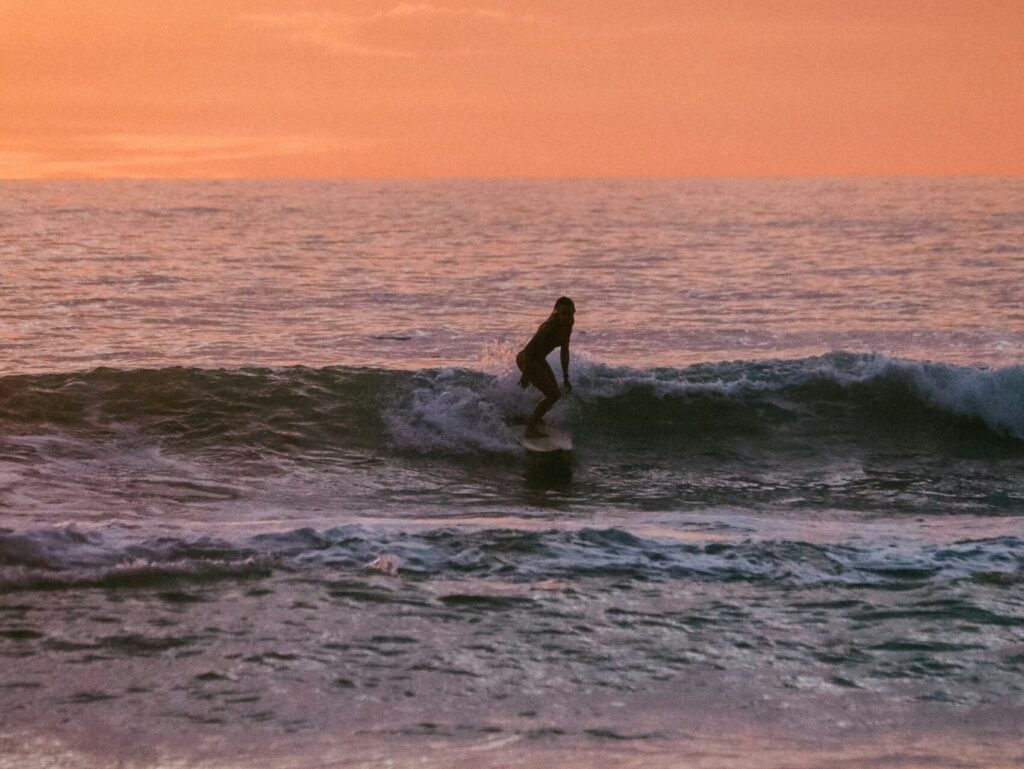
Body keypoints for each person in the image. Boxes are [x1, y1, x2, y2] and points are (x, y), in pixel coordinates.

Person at [516, 296, 575, 437]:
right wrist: (525, 374)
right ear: (556, 312)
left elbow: (564, 352)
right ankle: (529, 429)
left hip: (538, 359)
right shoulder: (548, 327)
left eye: (570, 313)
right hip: (527, 359)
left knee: (555, 394)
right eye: (563, 313)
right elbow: (529, 350)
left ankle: (533, 417)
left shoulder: (568, 325)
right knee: (552, 395)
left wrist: (566, 377)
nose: (567, 317)